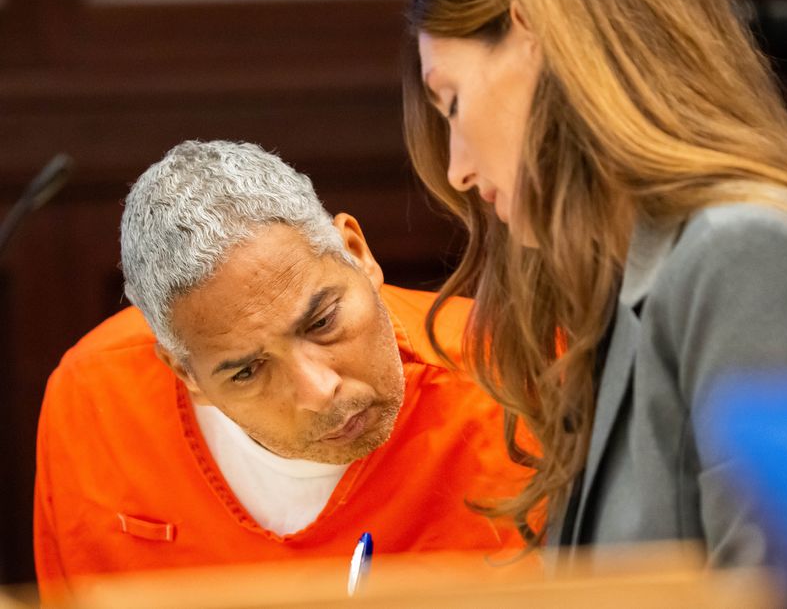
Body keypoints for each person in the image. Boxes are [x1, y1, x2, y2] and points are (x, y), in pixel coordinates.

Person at [403, 0, 787, 567]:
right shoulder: (613, 304)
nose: (457, 169)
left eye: (453, 101)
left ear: (534, 38)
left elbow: (767, 587)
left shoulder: (738, 253)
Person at [34, 140, 532, 601]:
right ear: (184, 373)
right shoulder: (92, 403)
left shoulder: (515, 378)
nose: (319, 391)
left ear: (357, 254)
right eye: (247, 372)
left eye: (322, 322)